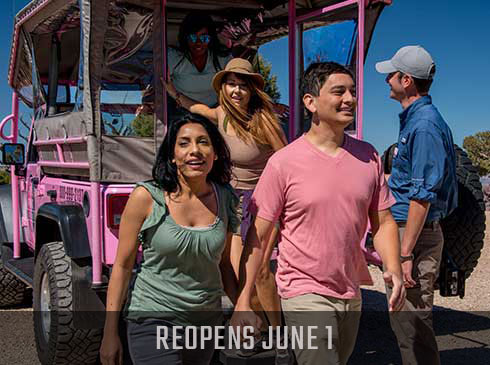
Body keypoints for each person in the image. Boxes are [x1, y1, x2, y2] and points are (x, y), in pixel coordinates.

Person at [231, 61, 406, 365]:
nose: (350, 99)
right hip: (302, 291)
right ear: (310, 102)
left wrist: (394, 267)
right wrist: (244, 297)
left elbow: (384, 221)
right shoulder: (283, 163)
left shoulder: (369, 157)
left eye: (353, 92)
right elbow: (257, 236)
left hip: (351, 291)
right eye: (339, 91)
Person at [166, 57, 288, 360]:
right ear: (223, 88)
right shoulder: (216, 115)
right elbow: (190, 105)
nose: (237, 90)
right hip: (228, 203)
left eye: (243, 85)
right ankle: (252, 325)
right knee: (231, 270)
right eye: (232, 84)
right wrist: (168, 88)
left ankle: (279, 333)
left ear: (251, 90)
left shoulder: (264, 120)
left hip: (261, 203)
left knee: (259, 272)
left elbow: (287, 158)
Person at [100, 114, 239, 365]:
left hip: (205, 324)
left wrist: (243, 309)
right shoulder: (146, 196)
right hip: (153, 317)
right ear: (172, 155)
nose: (195, 151)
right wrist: (110, 332)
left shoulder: (226, 197)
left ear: (215, 153)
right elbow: (122, 266)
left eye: (203, 142)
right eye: (184, 143)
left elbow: (225, 265)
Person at [376, 45, 458, 365]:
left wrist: (406, 253)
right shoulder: (417, 120)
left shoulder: (422, 126)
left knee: (412, 322)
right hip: (412, 233)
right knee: (407, 320)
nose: (387, 81)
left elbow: (421, 197)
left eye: (391, 76)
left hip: (414, 235)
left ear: (406, 80)